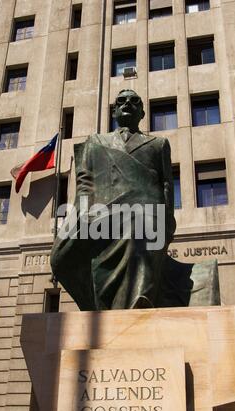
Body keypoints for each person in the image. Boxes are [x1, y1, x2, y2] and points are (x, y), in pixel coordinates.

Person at [51, 89, 176, 310]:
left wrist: (167, 221)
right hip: (101, 212)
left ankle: (138, 299)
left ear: (143, 112)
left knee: (140, 228)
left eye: (134, 101)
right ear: (114, 110)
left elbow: (166, 186)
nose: (128, 103)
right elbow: (84, 183)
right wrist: (81, 213)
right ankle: (97, 305)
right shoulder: (96, 141)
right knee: (60, 259)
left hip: (145, 211)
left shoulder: (158, 144)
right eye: (122, 101)